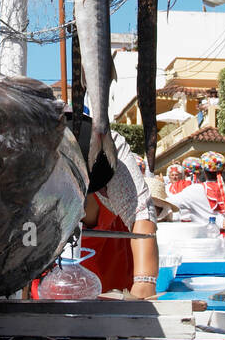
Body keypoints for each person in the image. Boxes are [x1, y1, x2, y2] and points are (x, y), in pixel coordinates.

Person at [61, 116, 159, 298]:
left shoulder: (109, 149)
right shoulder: (31, 157)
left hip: (111, 266)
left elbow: (141, 213)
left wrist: (144, 282)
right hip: (55, 275)